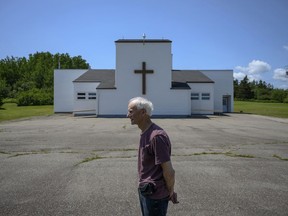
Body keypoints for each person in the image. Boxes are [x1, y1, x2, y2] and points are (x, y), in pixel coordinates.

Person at [127, 97, 179, 216]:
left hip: (155, 196)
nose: (127, 115)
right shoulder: (145, 132)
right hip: (146, 190)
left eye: (130, 111)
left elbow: (169, 171)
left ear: (143, 112)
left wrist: (170, 191)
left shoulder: (156, 137)